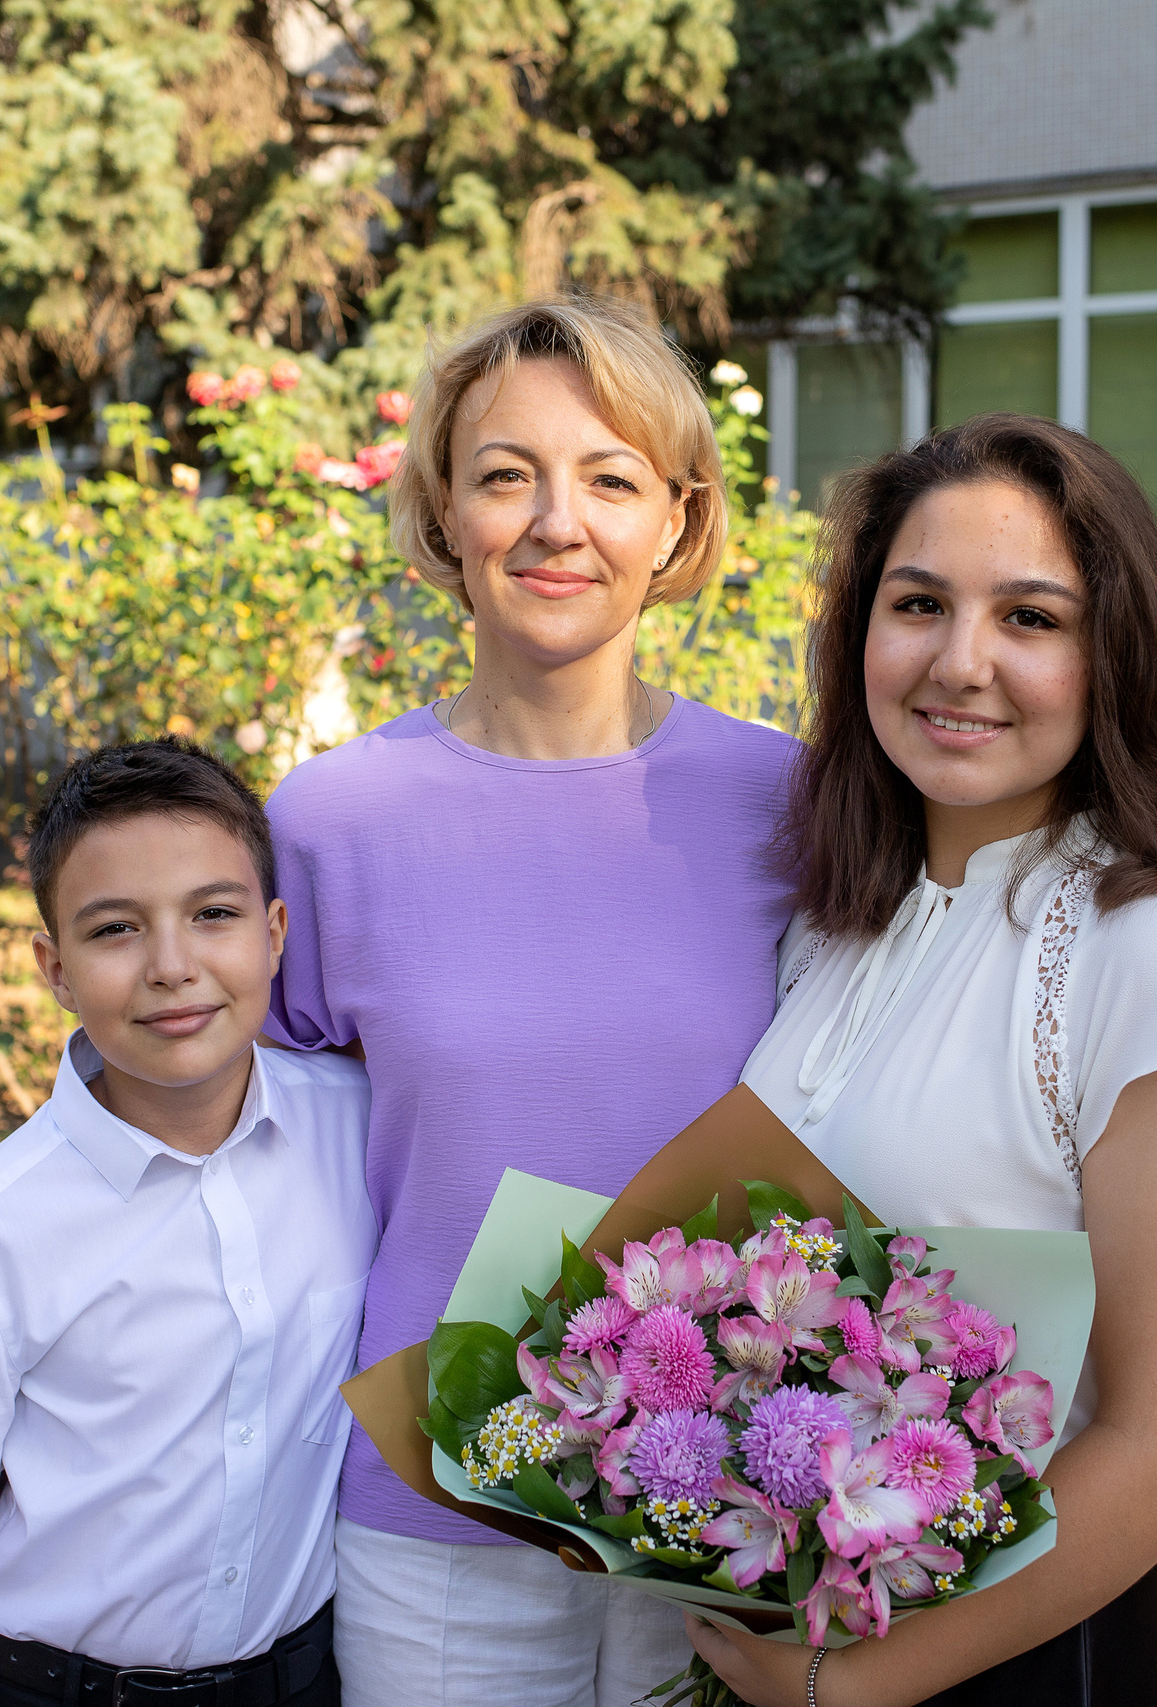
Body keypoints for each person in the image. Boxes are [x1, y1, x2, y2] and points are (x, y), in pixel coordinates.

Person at [689, 415, 1157, 1706]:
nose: (959, 662)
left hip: (1026, 1657)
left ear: (1111, 657)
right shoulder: (831, 928)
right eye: (919, 603)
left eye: (1031, 617)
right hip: (808, 1636)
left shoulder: (1151, 955)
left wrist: (862, 1680)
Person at [262, 296, 801, 1703]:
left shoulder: (791, 804)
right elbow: (233, 1169)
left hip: (725, 1504)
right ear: (446, 513)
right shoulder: (328, 825)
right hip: (442, 1518)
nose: (558, 521)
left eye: (611, 479)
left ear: (677, 524)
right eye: (508, 474)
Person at [0, 739, 373, 1707]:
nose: (172, 967)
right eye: (115, 931)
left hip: (299, 1680)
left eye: (213, 915)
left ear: (274, 932)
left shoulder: (360, 1126)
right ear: (53, 967)